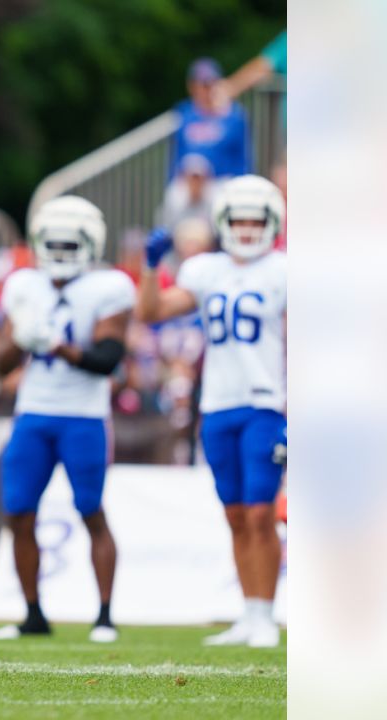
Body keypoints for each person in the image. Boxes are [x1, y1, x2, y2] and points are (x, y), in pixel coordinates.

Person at [136, 175, 287, 648]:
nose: (246, 227)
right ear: (224, 221)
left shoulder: (285, 269)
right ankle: (249, 612)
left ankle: (265, 614)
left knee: (263, 512)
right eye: (238, 218)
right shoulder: (206, 270)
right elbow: (152, 311)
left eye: (254, 218)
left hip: (266, 403)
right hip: (217, 404)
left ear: (271, 222)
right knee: (236, 514)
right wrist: (150, 265)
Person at [0, 196, 133, 644]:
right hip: (33, 413)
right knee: (17, 512)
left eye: (71, 243)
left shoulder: (110, 286)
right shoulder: (24, 284)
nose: (62, 252)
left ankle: (105, 615)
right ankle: (33, 615)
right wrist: (23, 340)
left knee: (91, 510)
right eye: (54, 243)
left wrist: (55, 344)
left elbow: (107, 358)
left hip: (84, 416)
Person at [171, 58, 252, 181]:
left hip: (223, 182)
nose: (209, 90)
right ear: (192, 87)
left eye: (213, 83)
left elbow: (243, 159)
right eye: (204, 85)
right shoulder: (184, 113)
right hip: (189, 186)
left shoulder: (234, 116)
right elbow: (176, 157)